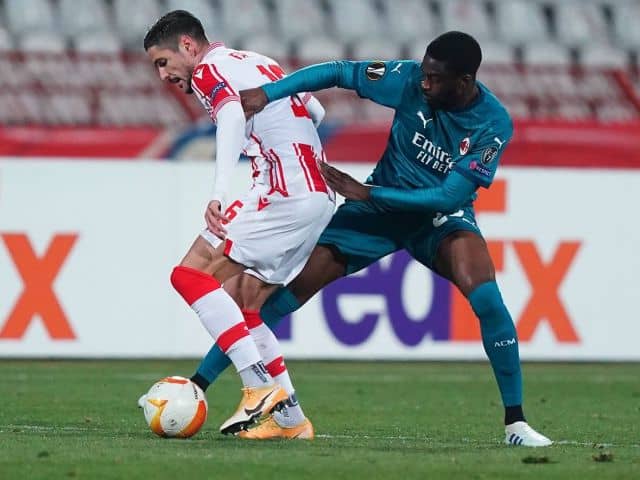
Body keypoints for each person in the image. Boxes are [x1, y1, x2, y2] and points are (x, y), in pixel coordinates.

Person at [195, 31, 552, 447]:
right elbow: (337, 71)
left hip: (436, 217)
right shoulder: (408, 79)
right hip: (376, 216)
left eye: (436, 79)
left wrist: (368, 193)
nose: (424, 83)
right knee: (279, 297)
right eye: (424, 72)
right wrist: (268, 93)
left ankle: (516, 424)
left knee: (488, 299)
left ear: (465, 82)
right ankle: (200, 384)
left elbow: (451, 195)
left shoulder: (492, 123)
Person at [141, 10, 334, 439]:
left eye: (163, 62)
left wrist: (219, 191)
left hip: (285, 191)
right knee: (245, 299)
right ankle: (290, 422)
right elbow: (315, 110)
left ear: (188, 47)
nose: (163, 76)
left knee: (190, 275)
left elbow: (230, 115)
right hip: (316, 193)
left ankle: (258, 387)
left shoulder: (208, 69)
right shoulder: (257, 61)